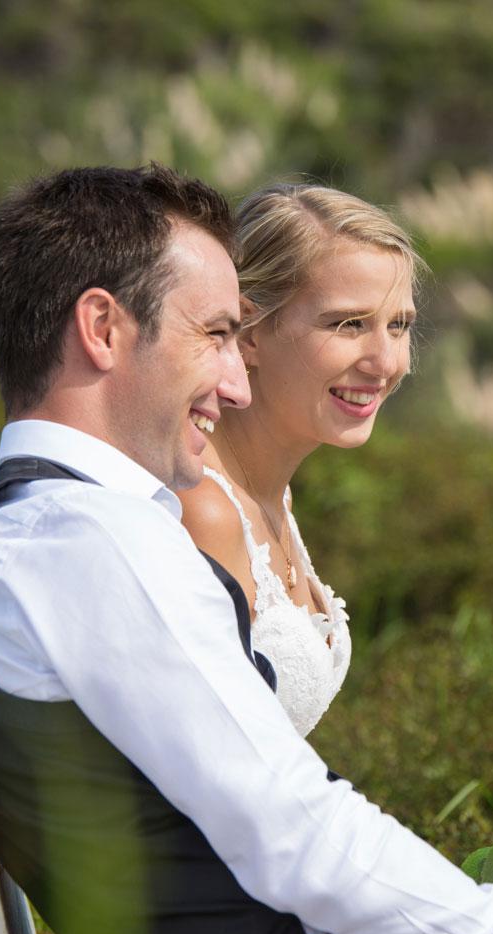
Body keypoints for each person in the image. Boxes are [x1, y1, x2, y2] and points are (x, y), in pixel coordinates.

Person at [0, 163, 493, 934]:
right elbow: (289, 833)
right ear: (103, 328)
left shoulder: (21, 530)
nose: (236, 381)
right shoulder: (81, 540)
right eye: (216, 334)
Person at [177, 184, 418, 738]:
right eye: (348, 323)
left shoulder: (272, 491)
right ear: (251, 332)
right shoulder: (203, 510)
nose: (384, 361)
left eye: (399, 325)